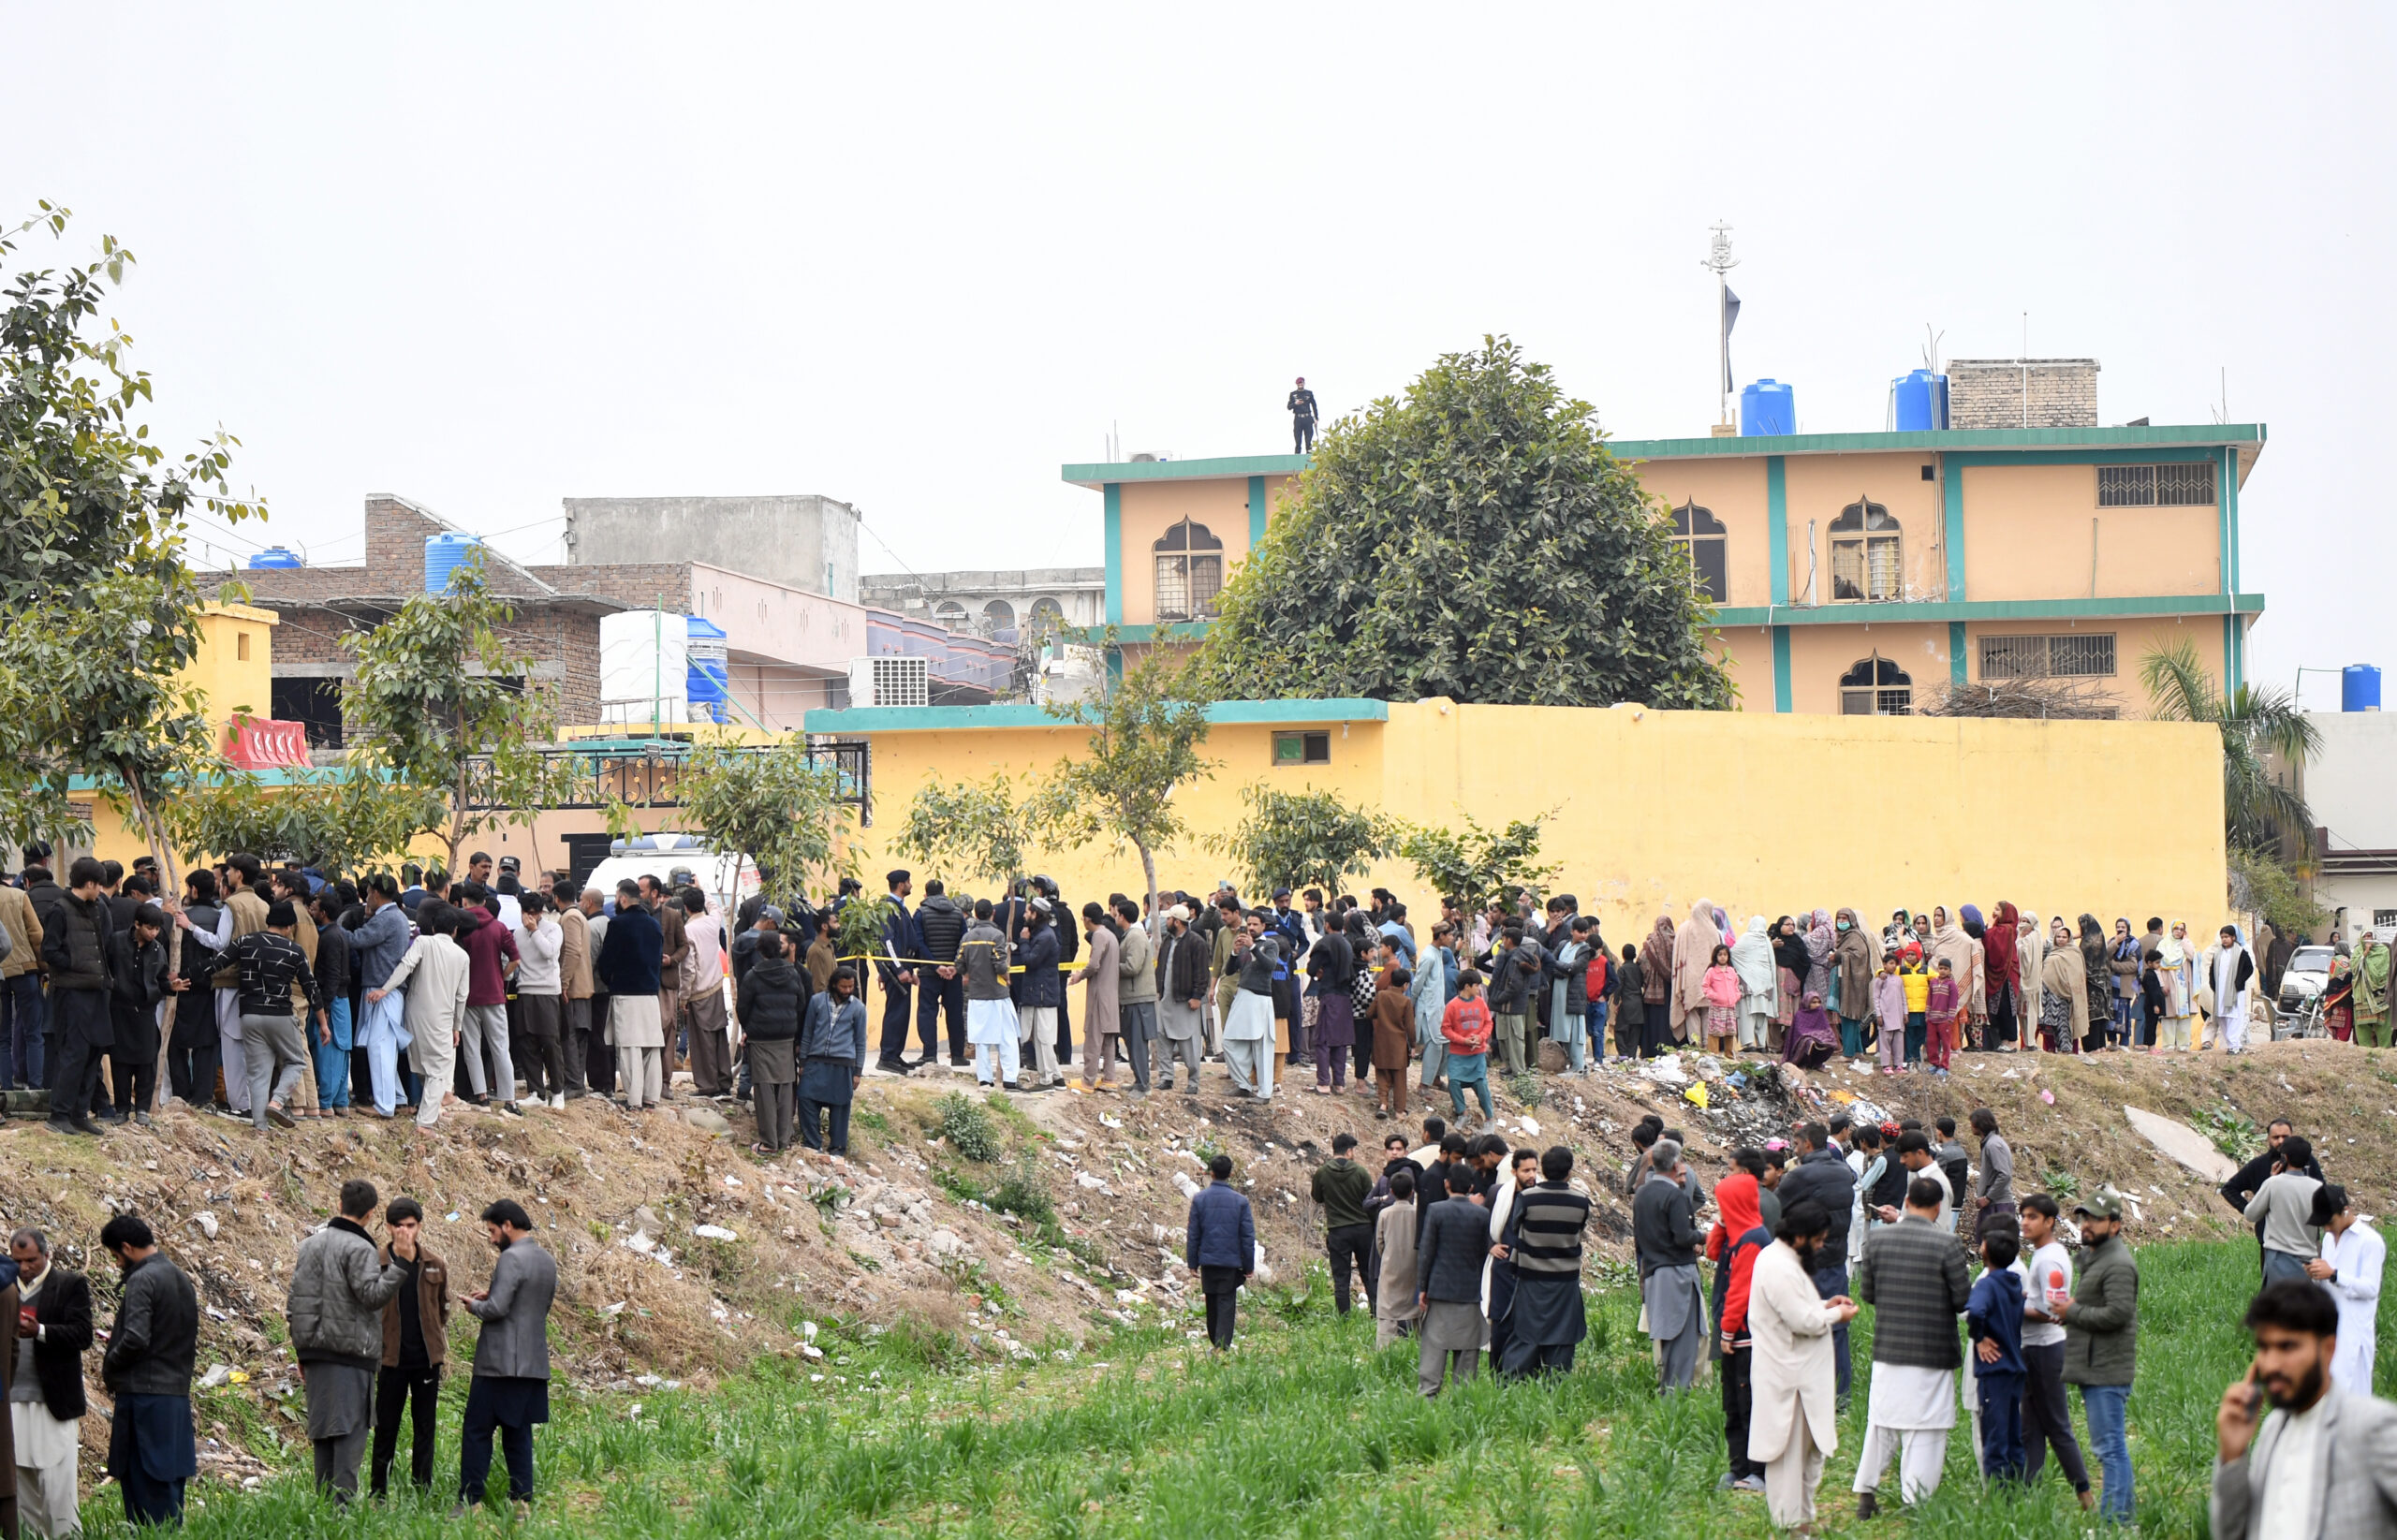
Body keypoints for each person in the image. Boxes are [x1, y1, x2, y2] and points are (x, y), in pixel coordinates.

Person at [2213, 1279, 2397, 1539]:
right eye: (2264, 1348)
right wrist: (2232, 1456)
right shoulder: (2274, 1428)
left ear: (2328, 1349)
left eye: (2287, 1347)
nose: (2271, 1364)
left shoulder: (2372, 1427)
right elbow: (2232, 1533)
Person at [1850, 1177, 1970, 1517]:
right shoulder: (1947, 1244)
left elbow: (1869, 1293)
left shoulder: (1878, 1239)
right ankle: (1914, 1503)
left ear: (1905, 1200)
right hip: (1932, 1351)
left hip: (1889, 1347)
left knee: (1882, 1422)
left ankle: (1866, 1494)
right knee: (1926, 1429)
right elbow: (1963, 1298)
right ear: (1937, 1208)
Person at [287, 1179, 409, 1501]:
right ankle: (340, 1517)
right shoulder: (361, 1248)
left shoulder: (309, 1245)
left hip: (314, 1353)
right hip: (350, 1356)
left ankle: (324, 1512)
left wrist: (302, 1350)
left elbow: (295, 1302)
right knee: (349, 1437)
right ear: (371, 1214)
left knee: (323, 1435)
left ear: (339, 1205)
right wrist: (401, 1268)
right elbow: (371, 1296)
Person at [1748, 1199, 1859, 1533]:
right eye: (1819, 1238)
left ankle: (1802, 1524)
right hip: (1789, 1380)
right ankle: (1789, 1527)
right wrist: (1837, 1314)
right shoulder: (1777, 1265)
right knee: (1789, 1459)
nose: (1822, 1245)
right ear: (1800, 1236)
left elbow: (1800, 1308)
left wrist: (1826, 1303)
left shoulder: (1785, 1259)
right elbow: (1802, 1320)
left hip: (1798, 1378)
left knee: (1807, 1458)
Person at [456, 1200, 555, 1518]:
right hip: (532, 1363)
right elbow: (528, 1306)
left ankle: (471, 1502)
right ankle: (521, 1501)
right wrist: (494, 1294)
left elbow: (497, 1310)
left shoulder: (511, 1258)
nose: (491, 1238)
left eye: (492, 1230)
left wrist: (474, 1305)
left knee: (477, 1430)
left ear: (508, 1225)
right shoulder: (546, 1260)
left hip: (499, 1364)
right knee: (518, 1431)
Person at [98, 1212, 198, 1527]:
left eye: (116, 1256)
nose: (117, 1265)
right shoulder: (180, 1278)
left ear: (127, 1247)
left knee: (144, 1493)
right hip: (175, 1398)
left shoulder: (142, 1279)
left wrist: (110, 1363)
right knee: (170, 1493)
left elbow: (136, 1338)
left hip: (144, 1401)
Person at [2056, 1187, 2140, 1524]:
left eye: (2094, 1218)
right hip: (2097, 1365)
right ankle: (2122, 1516)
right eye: (2084, 1217)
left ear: (2115, 1225)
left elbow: (2118, 1314)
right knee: (2110, 1446)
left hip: (2106, 1368)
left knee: (2110, 1448)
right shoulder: (2099, 1258)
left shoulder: (2118, 1264)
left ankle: (2116, 1522)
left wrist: (2073, 1311)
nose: (2086, 1224)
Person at [7, 1228, 91, 1538]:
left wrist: (41, 1330)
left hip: (53, 1401)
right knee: (20, 1485)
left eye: (31, 1260)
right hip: (13, 1399)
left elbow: (83, 1335)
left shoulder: (69, 1285)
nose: (25, 1267)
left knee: (57, 1487)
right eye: (18, 1261)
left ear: (46, 1255)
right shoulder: (6, 1288)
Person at [1776, 1122, 1859, 1404]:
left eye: (1796, 1145)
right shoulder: (1843, 1172)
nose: (1794, 1151)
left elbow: (1777, 1211)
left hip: (1808, 1262)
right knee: (1837, 1327)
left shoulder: (1800, 1176)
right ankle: (1841, 1394)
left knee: (1804, 1324)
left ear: (1807, 1144)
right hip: (1836, 1257)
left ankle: (1806, 1393)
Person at [371, 1196, 448, 1499]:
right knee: (386, 1427)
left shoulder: (434, 1264)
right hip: (390, 1360)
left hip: (427, 1360)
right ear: (388, 1227)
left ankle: (422, 1491)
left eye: (411, 1226)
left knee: (425, 1427)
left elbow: (443, 1308)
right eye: (398, 1226)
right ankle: (378, 1493)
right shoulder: (377, 1263)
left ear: (419, 1227)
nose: (405, 1232)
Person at [227, 899, 322, 1132]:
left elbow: (216, 963)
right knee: (296, 1061)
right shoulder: (294, 950)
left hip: (249, 1014)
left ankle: (260, 1128)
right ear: (289, 927)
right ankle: (277, 1101)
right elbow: (311, 988)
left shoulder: (245, 942)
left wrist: (183, 976)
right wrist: (323, 1023)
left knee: (258, 1074)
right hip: (279, 1014)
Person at [374, 902, 470, 1129]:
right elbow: (461, 995)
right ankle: (425, 1123)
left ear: (434, 927)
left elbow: (406, 966)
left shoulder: (423, 942)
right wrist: (457, 1026)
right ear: (455, 930)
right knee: (439, 1070)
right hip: (442, 1018)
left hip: (414, 1014)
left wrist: (385, 989)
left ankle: (432, 1110)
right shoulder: (462, 956)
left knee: (421, 1066)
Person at [1499, 1146, 1591, 1378]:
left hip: (1531, 1277)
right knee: (1563, 1332)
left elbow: (1515, 1227)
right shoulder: (1580, 1202)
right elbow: (1579, 1230)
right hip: (1565, 1281)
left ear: (1543, 1171)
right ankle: (1557, 1379)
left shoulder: (1527, 1198)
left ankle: (1516, 1378)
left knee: (1526, 1330)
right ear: (1569, 1172)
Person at [40, 858, 115, 1138]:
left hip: (96, 991)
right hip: (71, 992)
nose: (101, 891)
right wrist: (74, 963)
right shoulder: (59, 910)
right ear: (90, 884)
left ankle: (80, 1113)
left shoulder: (97, 908)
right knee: (73, 1053)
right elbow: (49, 951)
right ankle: (59, 1114)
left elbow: (105, 944)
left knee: (94, 1052)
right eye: (99, 886)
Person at [1635, 1137, 1706, 1392]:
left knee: (1666, 1337)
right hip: (1677, 1272)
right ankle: (1677, 1396)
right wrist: (1706, 1236)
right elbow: (1683, 1237)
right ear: (1676, 1165)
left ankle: (1666, 1389)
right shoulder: (1675, 1196)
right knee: (1685, 1339)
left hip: (1653, 1270)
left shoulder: (1642, 1192)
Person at [1415, 1166, 1488, 1397]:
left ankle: (1428, 1394)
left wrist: (1423, 1287)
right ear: (1471, 1187)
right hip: (1469, 1290)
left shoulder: (1436, 1210)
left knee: (1434, 1346)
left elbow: (1426, 1252)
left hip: (1440, 1288)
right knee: (1467, 1350)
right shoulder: (1482, 1214)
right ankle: (1463, 1398)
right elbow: (1482, 1253)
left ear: (1446, 1184)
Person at [595, 881, 667, 1112]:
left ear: (623, 899)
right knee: (652, 1045)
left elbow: (607, 961)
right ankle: (651, 1097)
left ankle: (633, 1099)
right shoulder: (654, 924)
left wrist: (610, 979)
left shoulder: (617, 924)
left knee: (629, 1046)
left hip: (625, 991)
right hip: (650, 991)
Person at [346, 876, 415, 1118]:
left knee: (379, 1046)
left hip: (382, 989)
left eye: (368, 893)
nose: (366, 897)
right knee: (382, 1045)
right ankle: (396, 1097)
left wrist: (331, 930)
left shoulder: (386, 918)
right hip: (384, 988)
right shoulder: (395, 916)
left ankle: (385, 1106)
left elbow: (357, 939)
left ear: (375, 893)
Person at [2307, 1183, 2385, 1395]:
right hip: (2330, 1329)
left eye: (2330, 1222)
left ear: (2346, 1211)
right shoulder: (2329, 1240)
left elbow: (2370, 1289)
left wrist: (2334, 1274)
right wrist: (2316, 1274)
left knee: (2354, 1399)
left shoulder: (2370, 1242)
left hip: (2355, 1333)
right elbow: (2328, 1282)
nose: (2327, 1229)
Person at [737, 931, 807, 1153]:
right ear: (779, 948)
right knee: (786, 1085)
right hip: (786, 1037)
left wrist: (750, 1029)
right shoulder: (793, 973)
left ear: (760, 950)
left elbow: (742, 1008)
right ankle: (784, 1138)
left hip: (760, 1039)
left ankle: (768, 1142)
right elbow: (801, 1004)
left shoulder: (753, 976)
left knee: (764, 1088)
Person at [1969, 1226, 2029, 1483]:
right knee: (2013, 1430)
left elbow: (1975, 1312)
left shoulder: (1986, 1285)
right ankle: (2020, 1485)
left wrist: (1979, 1338)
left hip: (1994, 1370)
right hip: (2016, 1368)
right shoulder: (2014, 1282)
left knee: (1994, 1433)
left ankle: (1998, 1493)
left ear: (1986, 1253)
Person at [454, 890, 521, 1112]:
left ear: (464, 902)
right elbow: (515, 959)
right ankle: (509, 1099)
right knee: (501, 1047)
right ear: (484, 902)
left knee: (471, 1047)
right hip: (494, 995)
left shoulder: (461, 929)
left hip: (468, 996)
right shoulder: (498, 927)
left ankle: (481, 1097)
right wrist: (500, 976)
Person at [1185, 1155, 1255, 1351]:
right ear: (1231, 1174)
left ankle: (1215, 1343)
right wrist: (1249, 1266)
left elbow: (1193, 1233)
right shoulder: (1241, 1202)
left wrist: (1192, 1263)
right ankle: (1222, 1346)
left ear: (1211, 1173)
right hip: (1230, 1262)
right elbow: (1247, 1237)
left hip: (1208, 1260)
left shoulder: (1200, 1200)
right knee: (1226, 1301)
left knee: (1212, 1301)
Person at [796, 967, 867, 1155]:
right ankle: (812, 1144)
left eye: (850, 986)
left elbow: (860, 1042)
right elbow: (807, 1033)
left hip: (843, 1065)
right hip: (815, 1062)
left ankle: (837, 1150)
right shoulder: (816, 1002)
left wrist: (858, 1072)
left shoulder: (859, 1009)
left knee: (840, 1107)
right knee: (805, 1098)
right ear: (834, 984)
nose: (847, 990)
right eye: (843, 986)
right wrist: (803, 1062)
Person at [2244, 1135, 2327, 1286]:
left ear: (2285, 1158)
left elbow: (2251, 1214)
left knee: (2278, 1307)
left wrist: (2271, 1178)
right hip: (2309, 1259)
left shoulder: (2273, 1184)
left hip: (2278, 1259)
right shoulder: (2317, 1187)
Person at [1312, 1134, 1375, 1316]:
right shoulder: (1361, 1172)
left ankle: (1344, 1318)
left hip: (1338, 1231)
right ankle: (1377, 1314)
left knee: (1341, 1277)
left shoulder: (1322, 1172)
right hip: (1363, 1229)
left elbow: (1317, 1197)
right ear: (1349, 1151)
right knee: (1368, 1274)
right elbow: (1369, 1202)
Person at [960, 901, 1019, 1093]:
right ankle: (1010, 1079)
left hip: (977, 996)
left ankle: (984, 1080)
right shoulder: (997, 935)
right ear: (992, 913)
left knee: (981, 1040)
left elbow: (960, 965)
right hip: (997, 995)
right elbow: (1000, 965)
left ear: (976, 914)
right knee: (1007, 1037)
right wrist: (1007, 977)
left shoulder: (967, 938)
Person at [1066, 902, 1122, 1094]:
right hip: (1111, 994)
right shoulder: (1111, 935)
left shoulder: (1098, 936)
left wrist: (1079, 976)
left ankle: (1088, 1081)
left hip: (1099, 995)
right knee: (1108, 1039)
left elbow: (1093, 964)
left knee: (1093, 1038)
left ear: (1087, 919)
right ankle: (1109, 1078)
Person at [913, 880, 968, 1070]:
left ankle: (929, 1055)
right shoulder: (957, 913)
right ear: (944, 892)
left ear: (925, 895)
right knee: (955, 1012)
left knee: (927, 1012)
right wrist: (954, 966)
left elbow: (918, 942)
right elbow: (964, 941)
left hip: (929, 972)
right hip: (953, 974)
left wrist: (936, 966)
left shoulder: (921, 913)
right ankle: (958, 1055)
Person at [1220, 922, 1278, 1102]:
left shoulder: (1270, 945)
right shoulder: (1244, 946)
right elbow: (1230, 970)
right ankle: (1243, 1085)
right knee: (1229, 1040)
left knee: (1262, 1046)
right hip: (1243, 995)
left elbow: (1269, 966)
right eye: (1249, 924)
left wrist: (1253, 947)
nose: (1251, 927)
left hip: (1261, 997)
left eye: (1255, 924)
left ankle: (1265, 1092)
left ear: (1263, 926)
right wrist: (1234, 952)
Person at [1154, 906, 1207, 1096]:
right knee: (1162, 1036)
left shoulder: (1196, 942)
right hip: (1167, 1000)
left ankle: (1193, 1082)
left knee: (1188, 1044)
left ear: (1177, 921)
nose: (1166, 922)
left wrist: (1196, 996)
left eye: (1168, 919)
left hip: (1185, 1001)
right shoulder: (1168, 941)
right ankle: (1166, 1077)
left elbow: (1202, 973)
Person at [1372, 1167, 1422, 1350]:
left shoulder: (1385, 1214)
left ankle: (1383, 1350)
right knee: (1415, 1313)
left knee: (1387, 1313)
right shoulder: (1419, 1213)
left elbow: (1380, 1243)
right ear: (1412, 1192)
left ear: (1391, 1191)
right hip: (1414, 1268)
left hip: (1390, 1268)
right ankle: (1417, 1348)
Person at [1113, 898, 1157, 1095]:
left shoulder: (1136, 937)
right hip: (1131, 998)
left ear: (1122, 916)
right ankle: (1139, 1080)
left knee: (1138, 1043)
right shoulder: (1130, 935)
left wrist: (1110, 968)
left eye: (1116, 913)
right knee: (1131, 1042)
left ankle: (1143, 1085)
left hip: (1138, 998)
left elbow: (1133, 966)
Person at [1439, 970, 1494, 1127]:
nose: (1479, 989)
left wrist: (1481, 1037)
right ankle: (1462, 1113)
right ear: (1467, 986)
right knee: (1454, 1083)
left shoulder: (1481, 1002)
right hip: (1458, 1054)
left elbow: (1488, 1023)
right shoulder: (1452, 1006)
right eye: (1476, 985)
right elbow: (1445, 1029)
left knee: (1481, 1085)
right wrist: (1463, 1040)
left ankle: (1490, 1118)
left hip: (1478, 1054)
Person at [1369, 966, 1413, 1119]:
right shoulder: (1406, 1001)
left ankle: (1383, 1104)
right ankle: (1399, 1110)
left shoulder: (1381, 995)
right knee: (1399, 1079)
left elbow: (1369, 1013)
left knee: (1382, 1074)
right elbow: (1410, 1026)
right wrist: (1413, 1045)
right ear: (1405, 985)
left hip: (1381, 1042)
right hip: (1398, 1046)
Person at [2207, 924, 2257, 1054]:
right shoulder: (2218, 953)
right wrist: (2213, 986)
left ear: (2234, 937)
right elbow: (2212, 971)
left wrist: (2239, 982)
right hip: (2220, 992)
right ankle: (2233, 1044)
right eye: (2222, 937)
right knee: (2222, 1016)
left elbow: (2249, 969)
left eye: (2227, 937)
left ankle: (2234, 1045)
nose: (2224, 940)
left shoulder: (2241, 952)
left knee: (2234, 1017)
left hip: (2235, 992)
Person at [1970, 1107, 2016, 1245]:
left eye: (1972, 1123)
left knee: (1997, 1249)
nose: (1970, 1126)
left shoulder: (1993, 1145)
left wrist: (1988, 1198)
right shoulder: (1991, 1143)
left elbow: (2004, 1175)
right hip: (1994, 1205)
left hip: (1998, 1206)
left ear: (1979, 1125)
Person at [1286, 375, 1318, 454]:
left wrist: (1316, 418)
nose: (1301, 384)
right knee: (1298, 441)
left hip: (1308, 418)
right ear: (1297, 384)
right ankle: (1297, 458)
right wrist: (1295, 403)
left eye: (1302, 382)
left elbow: (1314, 405)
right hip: (1298, 419)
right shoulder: (1293, 394)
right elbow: (1289, 407)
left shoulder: (1309, 393)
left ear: (1304, 383)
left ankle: (1309, 458)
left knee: (1308, 441)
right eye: (1299, 383)